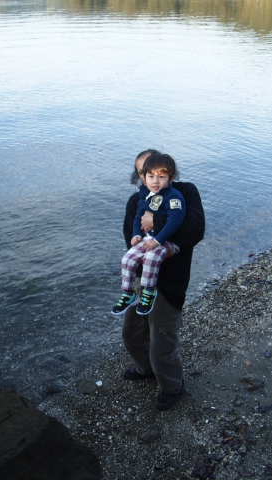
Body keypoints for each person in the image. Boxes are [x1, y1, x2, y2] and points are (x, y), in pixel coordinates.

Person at [120, 149, 205, 411]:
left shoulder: (186, 192)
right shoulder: (137, 201)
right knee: (132, 334)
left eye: (156, 171)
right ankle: (145, 370)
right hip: (140, 281)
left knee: (162, 343)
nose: (151, 177)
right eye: (144, 172)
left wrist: (154, 220)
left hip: (170, 284)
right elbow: (129, 237)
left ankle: (172, 387)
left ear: (166, 171)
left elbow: (194, 230)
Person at [111, 154, 186, 316]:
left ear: (170, 177)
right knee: (127, 259)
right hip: (148, 238)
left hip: (167, 241)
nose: (155, 181)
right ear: (143, 176)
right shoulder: (145, 194)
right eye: (150, 176)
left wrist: (158, 240)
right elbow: (139, 216)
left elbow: (175, 221)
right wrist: (136, 234)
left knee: (151, 258)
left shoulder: (174, 197)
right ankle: (128, 293)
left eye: (161, 176)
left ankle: (149, 292)